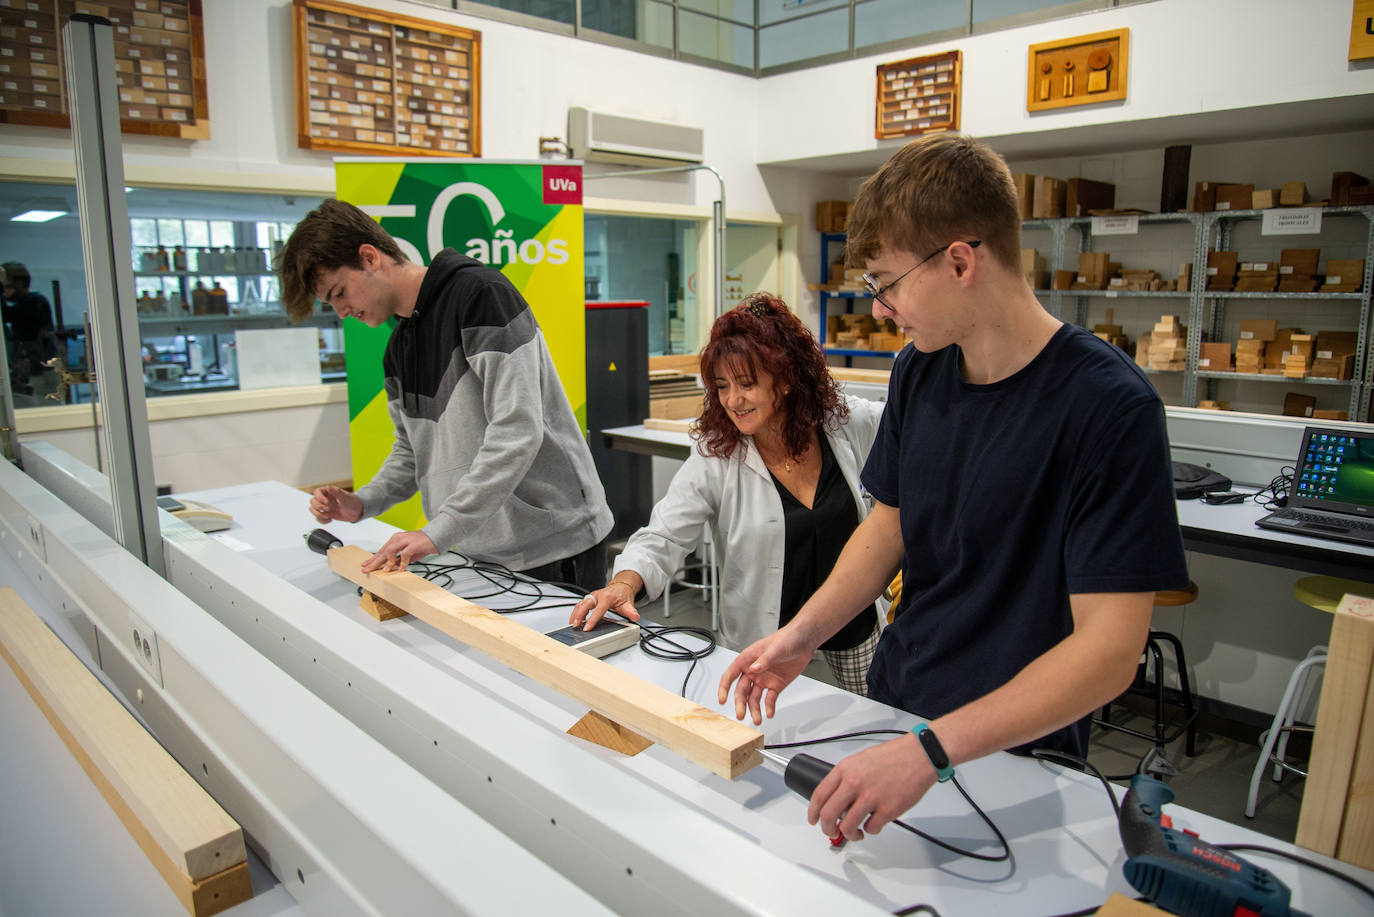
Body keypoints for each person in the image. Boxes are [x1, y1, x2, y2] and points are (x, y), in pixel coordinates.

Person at [718, 134, 1189, 843]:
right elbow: (887, 529)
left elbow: (1110, 651)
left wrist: (931, 751)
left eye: (887, 282)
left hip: (1015, 748)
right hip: (897, 709)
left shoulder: (1109, 408)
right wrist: (799, 634)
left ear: (962, 261)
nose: (879, 309)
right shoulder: (920, 372)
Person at [276, 199, 613, 587]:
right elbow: (412, 453)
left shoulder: (480, 295)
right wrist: (363, 503)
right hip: (477, 551)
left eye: (338, 293)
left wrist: (438, 531)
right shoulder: (398, 350)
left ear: (369, 258)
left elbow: (517, 430)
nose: (341, 311)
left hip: (554, 545)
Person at [570, 293, 885, 695]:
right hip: (766, 635)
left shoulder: (842, 424)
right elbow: (665, 534)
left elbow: (908, 421)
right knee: (765, 736)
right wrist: (623, 584)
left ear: (786, 378)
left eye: (747, 384)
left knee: (874, 722)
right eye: (722, 386)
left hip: (852, 624)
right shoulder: (719, 454)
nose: (733, 400)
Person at [2, 261, 57, 394]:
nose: (5, 292)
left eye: (7, 287)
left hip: (41, 372)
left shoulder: (34, 301)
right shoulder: (30, 302)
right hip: (38, 370)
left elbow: (6, 314)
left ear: (19, 283)